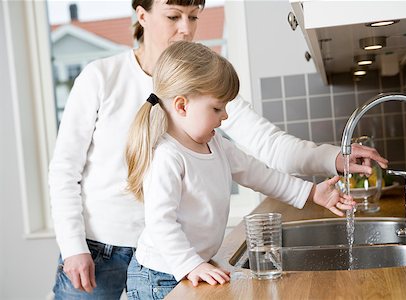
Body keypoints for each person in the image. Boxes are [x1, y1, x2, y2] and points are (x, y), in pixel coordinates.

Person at [48, 0, 387, 298]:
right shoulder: (101, 77)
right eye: (173, 16)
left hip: (174, 256)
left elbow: (265, 154)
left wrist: (332, 159)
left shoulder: (207, 91)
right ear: (142, 15)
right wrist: (74, 246)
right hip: (98, 249)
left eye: (194, 16)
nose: (186, 29)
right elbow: (65, 170)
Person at [125, 40, 355, 299]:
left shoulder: (217, 144)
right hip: (160, 275)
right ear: (181, 106)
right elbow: (160, 222)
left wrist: (312, 192)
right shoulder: (167, 156)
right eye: (217, 108)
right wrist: (191, 264)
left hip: (188, 266)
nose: (225, 116)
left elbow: (259, 174)